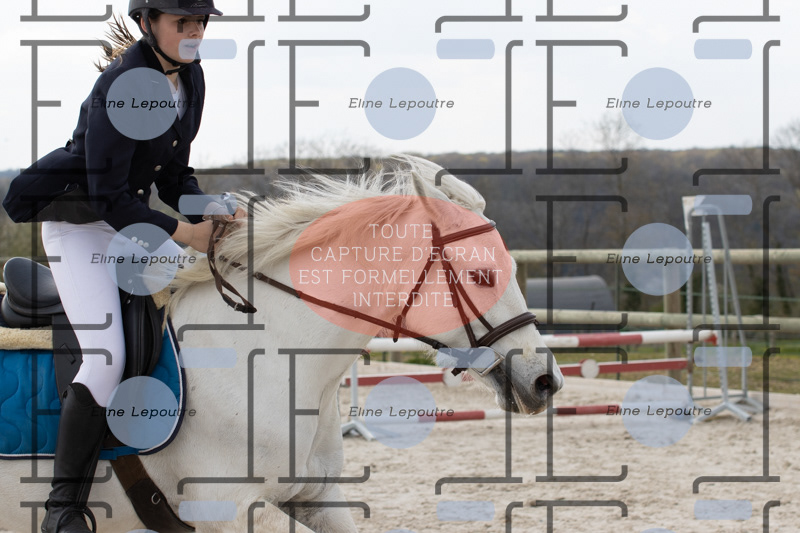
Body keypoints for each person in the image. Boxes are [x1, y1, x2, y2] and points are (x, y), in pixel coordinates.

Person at [2, 1, 244, 531]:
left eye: (201, 22)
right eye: (182, 22)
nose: (195, 31)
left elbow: (174, 177)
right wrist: (186, 232)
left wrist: (213, 210)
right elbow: (108, 198)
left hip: (129, 220)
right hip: (81, 226)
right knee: (106, 356)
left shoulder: (190, 78)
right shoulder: (124, 85)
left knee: (207, 296)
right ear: (147, 23)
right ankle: (63, 508)